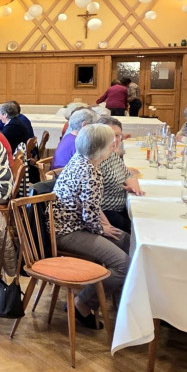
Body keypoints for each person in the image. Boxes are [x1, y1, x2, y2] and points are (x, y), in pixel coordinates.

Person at [52, 124, 131, 329]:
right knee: (124, 264)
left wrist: (104, 226)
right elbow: (89, 215)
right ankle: (82, 303)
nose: (115, 144)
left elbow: (91, 208)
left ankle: (129, 301)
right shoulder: (91, 172)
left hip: (72, 224)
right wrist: (102, 228)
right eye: (111, 141)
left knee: (128, 241)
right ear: (101, 147)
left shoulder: (80, 160)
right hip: (69, 231)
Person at [96, 116, 144, 234]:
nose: (114, 140)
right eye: (109, 135)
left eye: (117, 135)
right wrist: (105, 225)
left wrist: (134, 188)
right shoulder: (96, 158)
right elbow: (89, 202)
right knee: (140, 229)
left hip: (120, 207)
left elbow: (128, 175)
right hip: (105, 212)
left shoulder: (112, 154)